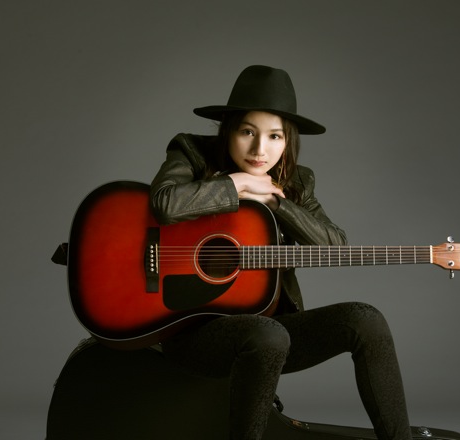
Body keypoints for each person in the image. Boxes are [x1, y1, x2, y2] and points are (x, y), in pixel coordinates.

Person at [150, 65, 412, 440]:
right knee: (267, 334)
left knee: (365, 320)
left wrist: (277, 202)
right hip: (192, 332)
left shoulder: (297, 181)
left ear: (287, 141)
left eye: (275, 136)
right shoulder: (191, 152)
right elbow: (164, 203)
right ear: (228, 130)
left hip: (275, 333)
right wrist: (236, 185)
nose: (260, 149)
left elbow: (335, 246)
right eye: (247, 132)